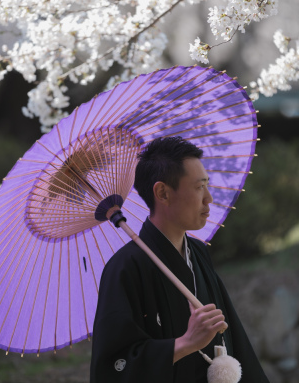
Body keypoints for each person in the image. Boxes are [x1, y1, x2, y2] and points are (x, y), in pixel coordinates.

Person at [90, 137, 269, 383]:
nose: (209, 198)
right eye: (198, 187)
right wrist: (185, 343)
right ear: (162, 193)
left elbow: (234, 339)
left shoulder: (197, 252)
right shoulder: (125, 268)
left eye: (207, 185)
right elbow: (113, 367)